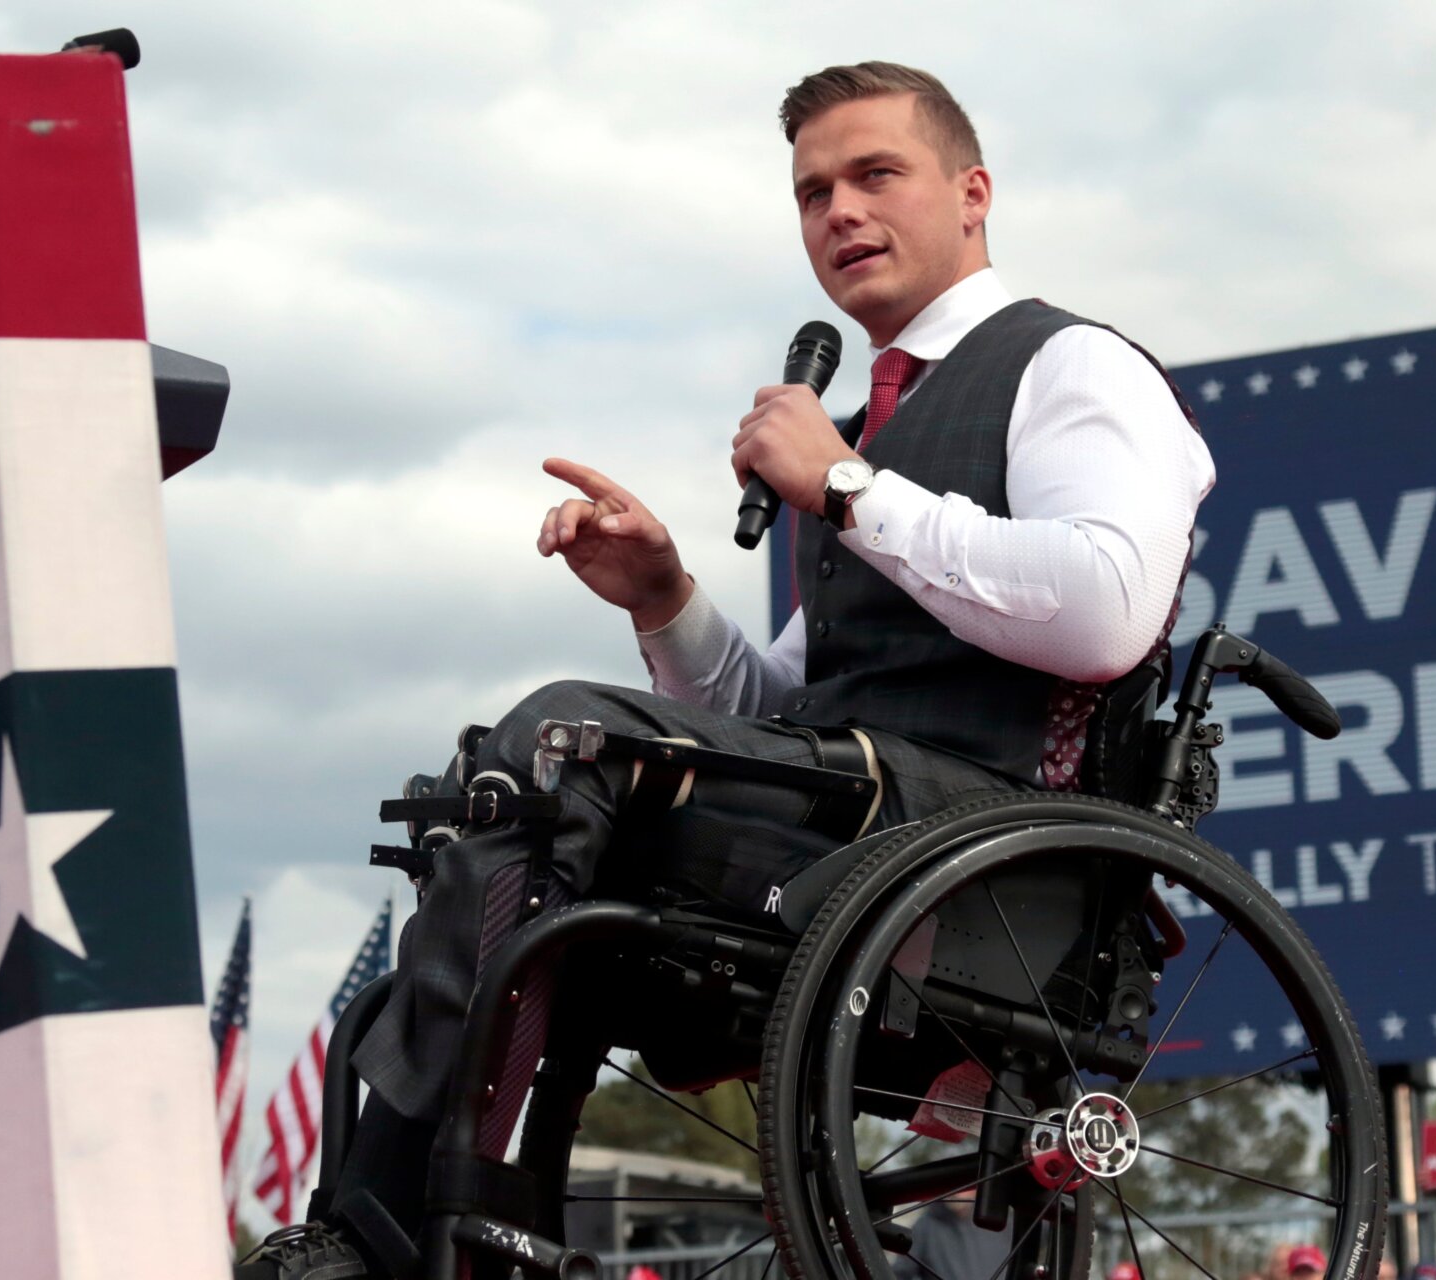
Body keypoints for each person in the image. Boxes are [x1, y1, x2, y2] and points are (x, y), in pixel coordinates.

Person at [237, 60, 1212, 1280]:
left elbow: (1107, 613)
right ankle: (475, 1226)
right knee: (530, 795)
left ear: (973, 194)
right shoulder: (866, 431)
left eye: (874, 175)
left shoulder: (1076, 368)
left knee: (563, 741)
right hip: (860, 815)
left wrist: (848, 488)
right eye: (813, 193)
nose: (840, 212)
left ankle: (384, 1219)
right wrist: (664, 595)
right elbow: (779, 715)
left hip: (992, 860)